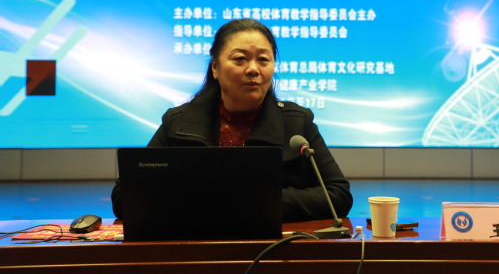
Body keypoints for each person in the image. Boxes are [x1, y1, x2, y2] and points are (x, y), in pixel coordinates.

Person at [111, 18, 353, 222]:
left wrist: (264, 200)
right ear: (215, 68)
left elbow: (338, 195)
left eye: (263, 59)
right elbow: (124, 198)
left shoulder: (297, 123)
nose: (253, 69)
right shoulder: (179, 123)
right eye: (240, 59)